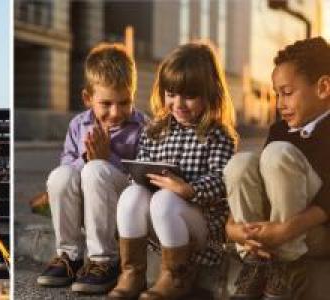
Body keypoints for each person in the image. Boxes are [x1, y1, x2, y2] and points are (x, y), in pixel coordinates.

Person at [109, 42, 238, 300]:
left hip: (200, 227)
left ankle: (176, 276)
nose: (177, 103)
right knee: (131, 195)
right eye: (170, 93)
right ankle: (132, 273)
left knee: (166, 199)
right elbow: (142, 168)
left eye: (188, 96)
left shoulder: (218, 136)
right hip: (161, 227)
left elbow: (222, 181)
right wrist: (140, 178)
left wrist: (188, 189)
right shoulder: (154, 131)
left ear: (209, 93)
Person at [36, 43, 147, 294]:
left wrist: (107, 158)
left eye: (124, 102)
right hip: (87, 200)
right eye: (106, 103)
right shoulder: (78, 125)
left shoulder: (142, 128)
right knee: (60, 176)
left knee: (96, 169)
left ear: (133, 95)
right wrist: (87, 158)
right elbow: (68, 167)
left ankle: (103, 260)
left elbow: (142, 179)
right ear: (88, 98)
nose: (115, 112)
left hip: (122, 202)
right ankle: (69, 256)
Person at [224, 37, 330, 300]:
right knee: (242, 162)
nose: (279, 103)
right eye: (276, 94)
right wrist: (232, 228)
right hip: (273, 230)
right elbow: (258, 179)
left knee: (276, 154)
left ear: (323, 87)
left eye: (287, 92)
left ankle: (288, 267)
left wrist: (286, 231)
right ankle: (256, 261)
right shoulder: (279, 129)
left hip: (313, 233)